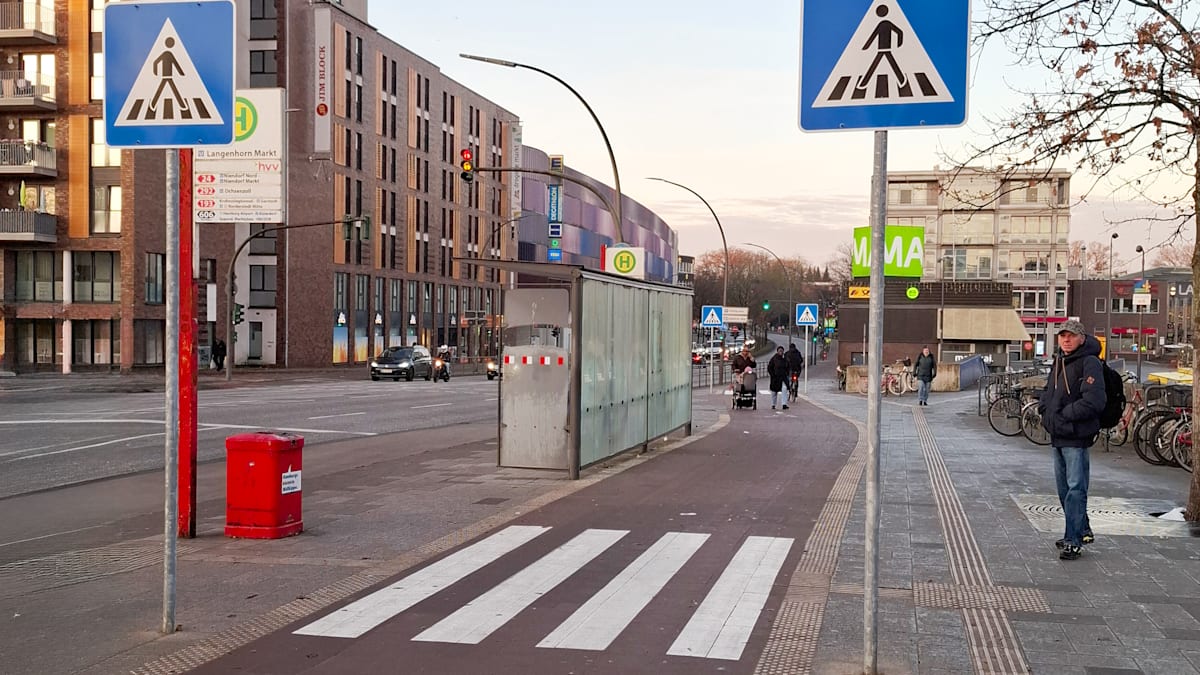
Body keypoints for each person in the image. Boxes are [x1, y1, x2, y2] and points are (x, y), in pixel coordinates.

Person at [1037, 319, 1105, 561]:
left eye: (1071, 336)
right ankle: (1081, 529)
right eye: (1063, 336)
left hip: (1076, 435)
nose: (1066, 340)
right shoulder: (1059, 361)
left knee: (1076, 488)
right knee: (1064, 488)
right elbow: (1048, 392)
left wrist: (1065, 416)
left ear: (1081, 338)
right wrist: (1045, 411)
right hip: (1058, 433)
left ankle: (1073, 540)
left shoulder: (1090, 363)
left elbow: (1095, 400)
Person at [767, 346, 789, 410]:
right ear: (777, 351)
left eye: (782, 351)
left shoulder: (785, 359)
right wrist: (772, 374)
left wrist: (786, 373)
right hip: (775, 378)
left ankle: (784, 404)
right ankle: (773, 404)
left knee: (784, 389)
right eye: (779, 351)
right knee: (774, 391)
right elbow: (769, 367)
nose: (781, 352)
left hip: (783, 377)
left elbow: (787, 366)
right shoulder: (774, 359)